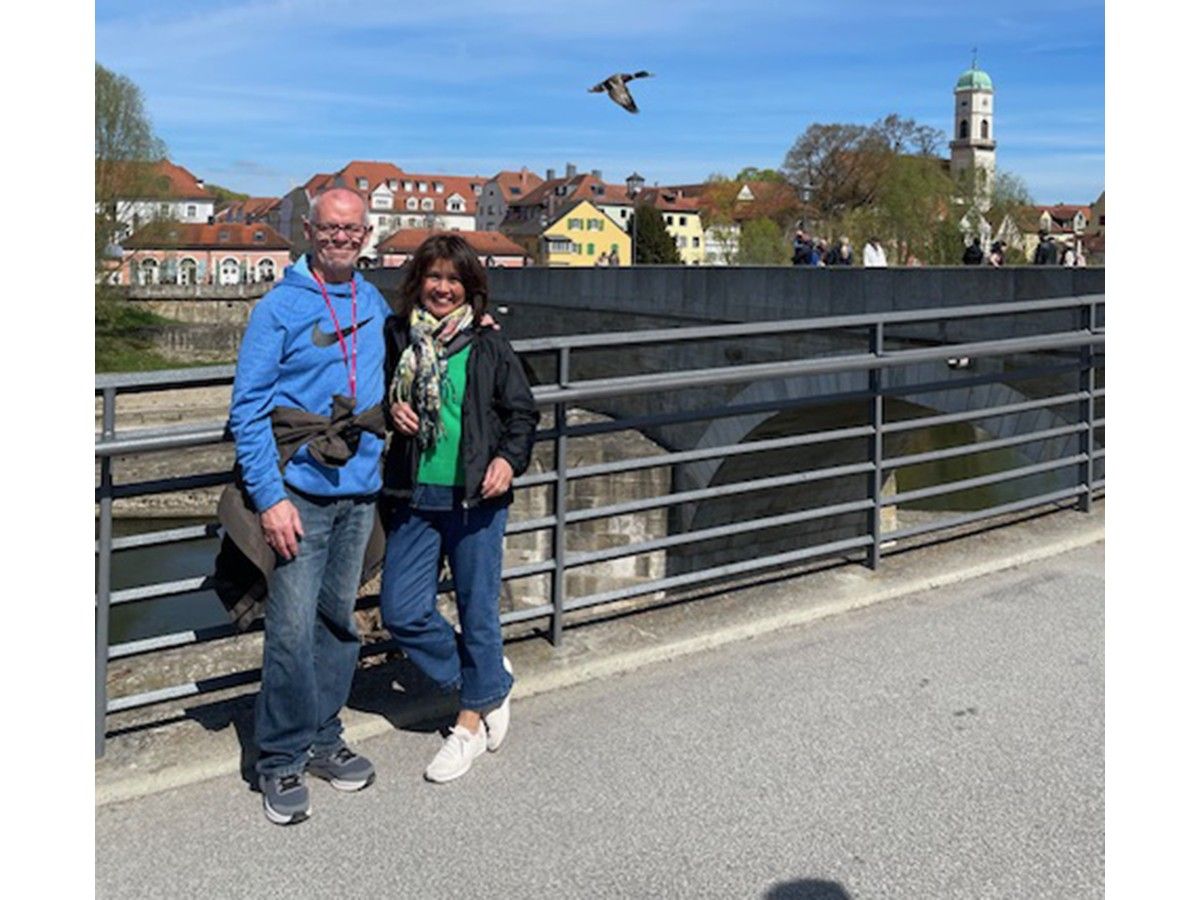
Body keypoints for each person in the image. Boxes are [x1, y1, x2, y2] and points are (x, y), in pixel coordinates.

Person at [227, 187, 391, 825]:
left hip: (359, 493)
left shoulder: (372, 299)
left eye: (352, 229)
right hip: (300, 494)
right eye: (331, 228)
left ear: (366, 233)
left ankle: (324, 738)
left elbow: (414, 345)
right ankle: (280, 759)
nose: (342, 238)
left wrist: (481, 319)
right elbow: (248, 409)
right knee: (290, 633)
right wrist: (270, 499)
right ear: (309, 230)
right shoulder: (279, 308)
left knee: (338, 625)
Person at [379, 233, 538, 784]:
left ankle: (467, 726)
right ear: (417, 282)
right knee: (401, 610)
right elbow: (379, 395)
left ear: (470, 288)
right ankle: (489, 677)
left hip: (476, 497)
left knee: (477, 609)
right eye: (434, 277)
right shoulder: (398, 334)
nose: (443, 288)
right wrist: (390, 409)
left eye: (454, 279)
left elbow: (522, 415)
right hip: (414, 493)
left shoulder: (489, 344)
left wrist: (507, 462)